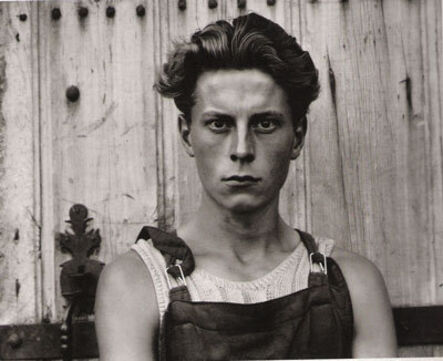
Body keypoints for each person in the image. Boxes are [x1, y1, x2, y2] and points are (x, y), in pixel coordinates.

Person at [95, 12, 397, 360]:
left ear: (297, 137)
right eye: (219, 124)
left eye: (265, 123)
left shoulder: (354, 283)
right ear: (187, 135)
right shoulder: (136, 284)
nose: (241, 149)